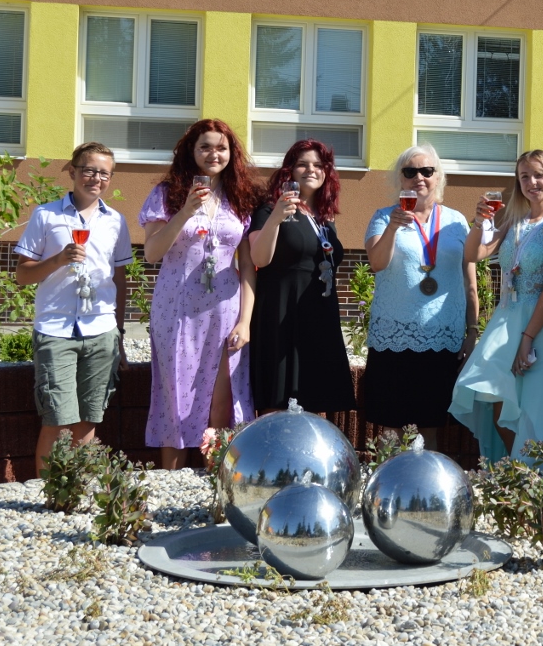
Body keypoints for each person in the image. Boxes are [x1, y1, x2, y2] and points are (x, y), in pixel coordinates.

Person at [140, 120, 258, 469]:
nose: (213, 154)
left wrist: (246, 321)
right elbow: (152, 252)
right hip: (176, 308)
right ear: (190, 151)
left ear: (232, 154)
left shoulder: (240, 197)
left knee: (221, 399)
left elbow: (248, 265)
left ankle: (214, 476)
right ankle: (171, 478)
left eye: (221, 148)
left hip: (225, 309)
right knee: (175, 397)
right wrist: (186, 211)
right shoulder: (166, 194)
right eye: (205, 146)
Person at [450, 149, 543, 461]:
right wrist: (480, 221)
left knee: (535, 404)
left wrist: (528, 337)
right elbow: (474, 254)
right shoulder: (513, 221)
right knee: (494, 394)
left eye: (538, 175)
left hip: (540, 324)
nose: (532, 182)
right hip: (506, 319)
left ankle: (541, 474)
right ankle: (516, 469)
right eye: (524, 177)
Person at [15, 142, 132, 471]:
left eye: (104, 173)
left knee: (88, 420)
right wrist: (57, 260)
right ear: (72, 171)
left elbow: (119, 280)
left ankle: (79, 490)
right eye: (89, 170)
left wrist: (119, 336)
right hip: (56, 330)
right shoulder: (46, 215)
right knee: (56, 421)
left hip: (101, 331)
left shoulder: (116, 221)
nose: (96, 178)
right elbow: (22, 275)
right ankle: (48, 491)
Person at [362, 145, 478, 451]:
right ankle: (388, 480)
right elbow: (377, 263)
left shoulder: (456, 221)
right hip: (394, 337)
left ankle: (428, 482)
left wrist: (472, 332)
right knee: (391, 429)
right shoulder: (383, 217)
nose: (419, 178)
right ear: (400, 178)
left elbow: (469, 282)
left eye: (427, 171)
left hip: (443, 339)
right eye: (410, 171)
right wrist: (393, 227)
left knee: (431, 429)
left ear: (438, 177)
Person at [249, 139, 355, 415]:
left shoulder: (324, 217)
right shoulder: (268, 209)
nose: (311, 170)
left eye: (318, 165)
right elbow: (259, 258)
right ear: (290, 171)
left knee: (316, 399)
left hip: (319, 315)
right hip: (282, 315)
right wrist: (276, 217)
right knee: (278, 404)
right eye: (302, 164)